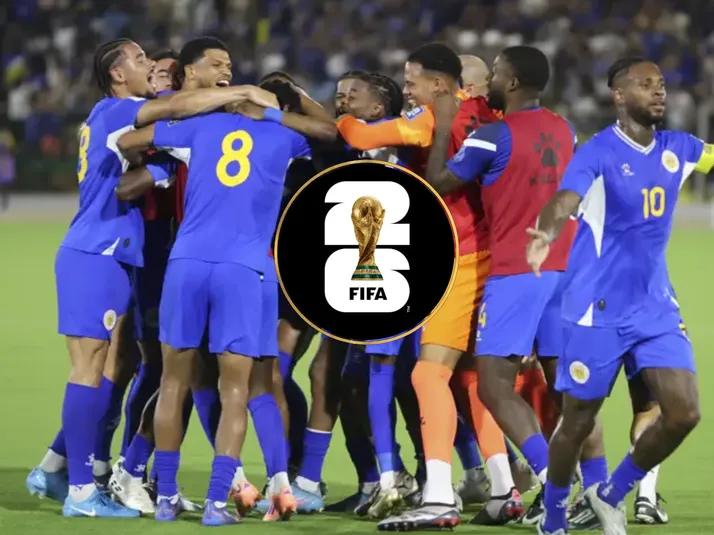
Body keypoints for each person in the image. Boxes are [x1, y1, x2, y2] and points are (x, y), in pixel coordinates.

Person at [25, 38, 276, 519]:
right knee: (89, 368)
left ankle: (63, 469)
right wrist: (241, 91)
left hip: (110, 253)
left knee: (106, 367)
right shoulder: (117, 110)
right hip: (96, 251)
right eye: (140, 60)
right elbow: (176, 107)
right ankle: (81, 491)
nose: (150, 67)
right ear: (118, 75)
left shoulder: (112, 114)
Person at [528, 57, 712, 535]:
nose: (659, 91)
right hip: (596, 312)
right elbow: (563, 201)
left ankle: (610, 495)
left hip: (654, 309)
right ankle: (553, 517)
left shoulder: (679, 148)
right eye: (645, 84)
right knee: (577, 423)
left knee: (684, 413)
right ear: (618, 95)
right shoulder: (597, 153)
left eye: (661, 83)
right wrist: (545, 233)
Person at [422, 45, 577, 528]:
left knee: (492, 384)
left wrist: (443, 125)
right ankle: (591, 486)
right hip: (564, 268)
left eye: (495, 72)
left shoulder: (491, 136)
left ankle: (555, 484)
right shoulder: (564, 128)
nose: (489, 80)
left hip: (515, 270)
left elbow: (438, 182)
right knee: (561, 385)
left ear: (511, 82)